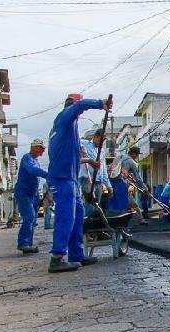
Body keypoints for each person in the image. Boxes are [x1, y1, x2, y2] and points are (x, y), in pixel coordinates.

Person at [46, 94, 112, 273]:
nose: (81, 113)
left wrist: (88, 160)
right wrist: (100, 103)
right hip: (62, 178)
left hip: (71, 178)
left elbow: (72, 156)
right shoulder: (65, 117)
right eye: (79, 109)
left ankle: (76, 254)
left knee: (78, 213)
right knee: (66, 215)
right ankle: (57, 258)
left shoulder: (70, 128)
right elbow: (78, 106)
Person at [14, 139, 49, 254]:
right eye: (41, 149)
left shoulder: (36, 161)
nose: (43, 151)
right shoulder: (27, 158)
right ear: (34, 147)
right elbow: (32, 170)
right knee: (29, 216)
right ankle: (23, 243)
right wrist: (47, 174)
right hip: (24, 193)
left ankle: (28, 244)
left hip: (33, 194)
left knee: (33, 220)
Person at [80, 129, 112, 204]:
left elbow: (103, 170)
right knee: (90, 205)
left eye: (103, 141)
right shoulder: (84, 143)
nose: (101, 143)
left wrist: (108, 186)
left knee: (96, 205)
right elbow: (74, 141)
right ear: (95, 137)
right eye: (100, 140)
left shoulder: (102, 151)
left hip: (99, 182)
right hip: (88, 180)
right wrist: (82, 149)